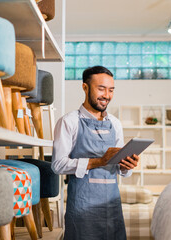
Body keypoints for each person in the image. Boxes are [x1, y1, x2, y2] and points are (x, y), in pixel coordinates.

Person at [52, 65, 140, 240]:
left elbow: (123, 172)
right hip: (82, 207)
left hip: (111, 206)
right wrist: (99, 161)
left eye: (111, 90)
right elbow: (58, 165)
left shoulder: (115, 124)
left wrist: (127, 165)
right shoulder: (69, 122)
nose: (106, 95)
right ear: (85, 87)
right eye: (101, 89)